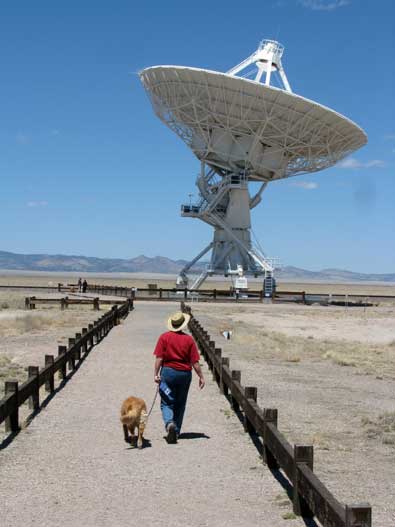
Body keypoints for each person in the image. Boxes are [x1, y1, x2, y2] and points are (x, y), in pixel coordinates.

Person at [153, 311, 205, 443]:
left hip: (168, 374)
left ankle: (169, 423)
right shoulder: (189, 340)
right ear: (183, 325)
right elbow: (195, 362)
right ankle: (175, 432)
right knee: (180, 403)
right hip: (184, 375)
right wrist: (201, 376)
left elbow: (159, 358)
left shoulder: (164, 337)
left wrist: (156, 374)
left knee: (166, 401)